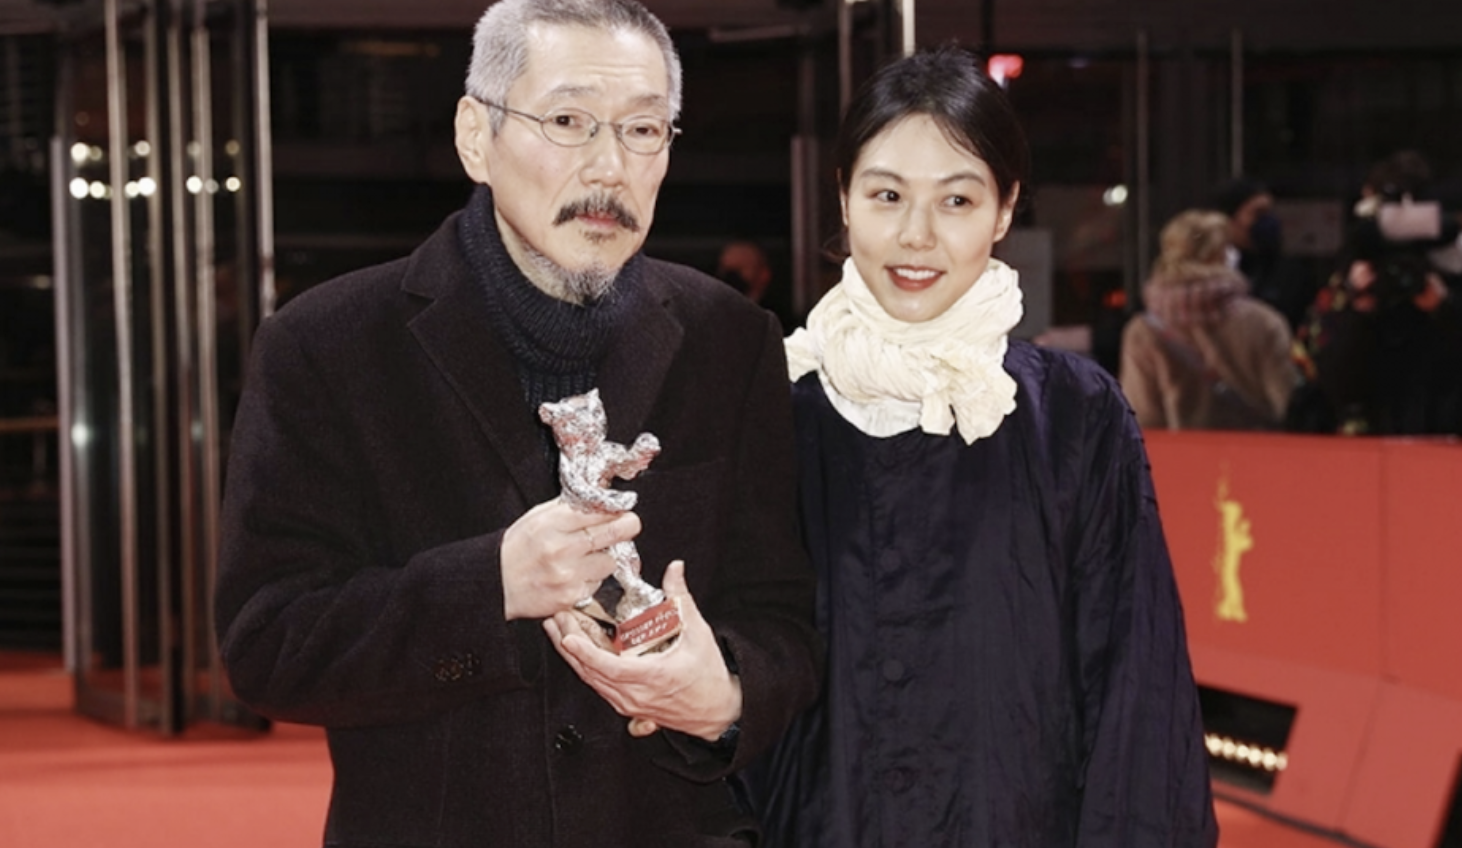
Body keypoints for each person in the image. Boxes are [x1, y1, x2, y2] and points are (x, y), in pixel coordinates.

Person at [212, 1, 820, 845]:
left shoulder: (733, 341)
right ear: (475, 135)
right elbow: (268, 644)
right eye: (569, 120)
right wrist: (490, 584)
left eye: (644, 130)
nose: (609, 165)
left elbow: (785, 617)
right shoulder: (327, 346)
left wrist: (726, 698)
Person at [741, 47, 1217, 846]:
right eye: (887, 194)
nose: (916, 236)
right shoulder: (772, 414)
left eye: (956, 200)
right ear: (845, 200)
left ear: (1003, 211)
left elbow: (1137, 686)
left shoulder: (1071, 415)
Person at [1289, 149, 1462, 435]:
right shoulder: (1346, 289)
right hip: (1367, 444)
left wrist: (1444, 309)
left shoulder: (1451, 278)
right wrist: (1360, 308)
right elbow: (1329, 384)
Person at [1119, 209, 1298, 431]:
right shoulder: (1263, 322)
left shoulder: (1143, 331)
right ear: (1219, 256)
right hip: (1256, 457)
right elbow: (1288, 404)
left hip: (1183, 460)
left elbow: (1143, 418)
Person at [1208, 176, 1316, 331]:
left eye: (1270, 212)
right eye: (1258, 214)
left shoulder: (1290, 273)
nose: (1268, 221)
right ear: (1229, 221)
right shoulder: (1212, 270)